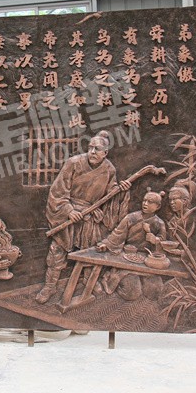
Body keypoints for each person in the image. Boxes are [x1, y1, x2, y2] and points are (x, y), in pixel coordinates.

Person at [35, 130, 130, 304]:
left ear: (105, 152)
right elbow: (58, 191)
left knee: (90, 251)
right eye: (90, 147)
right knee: (57, 251)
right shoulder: (73, 163)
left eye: (97, 149)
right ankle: (50, 286)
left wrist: (121, 190)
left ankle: (88, 280)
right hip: (69, 214)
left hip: (90, 216)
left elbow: (110, 196)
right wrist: (69, 211)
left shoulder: (109, 169)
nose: (92, 152)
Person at [97, 189, 167, 297]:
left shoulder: (159, 223)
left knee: (155, 291)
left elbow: (162, 243)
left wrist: (155, 240)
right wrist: (106, 244)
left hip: (148, 261)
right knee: (132, 293)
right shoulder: (131, 218)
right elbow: (117, 234)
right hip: (128, 258)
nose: (145, 204)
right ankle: (111, 277)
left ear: (158, 206)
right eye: (144, 200)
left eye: (150, 202)